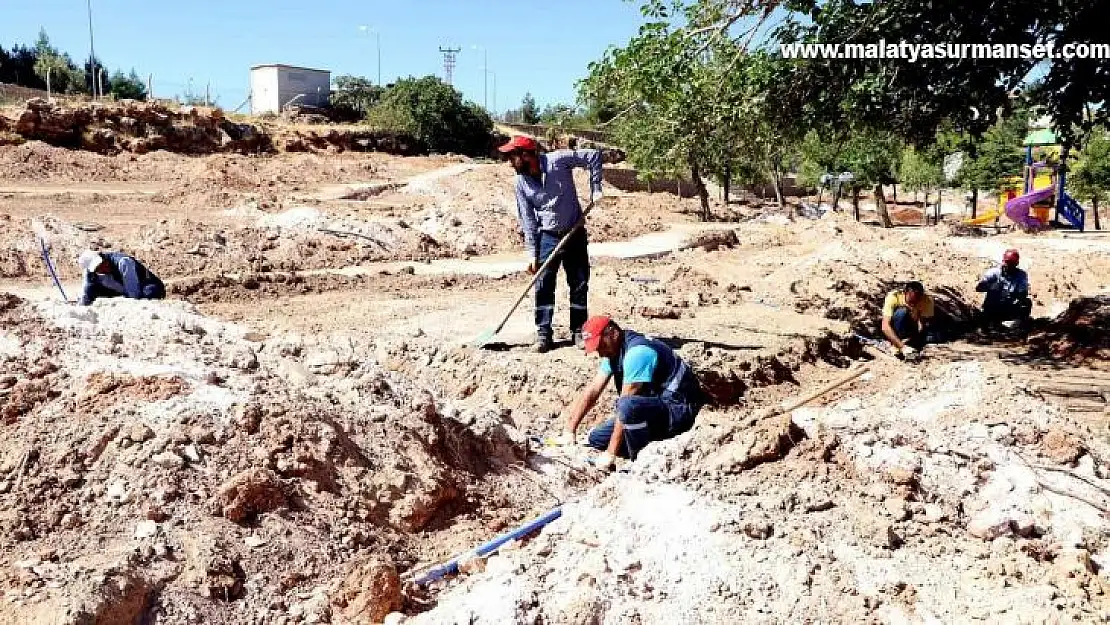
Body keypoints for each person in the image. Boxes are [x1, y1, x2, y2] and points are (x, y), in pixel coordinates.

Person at [553, 315, 704, 469]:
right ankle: (651, 441)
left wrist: (610, 454)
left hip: (679, 409)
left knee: (627, 406)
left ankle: (639, 460)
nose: (599, 352)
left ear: (613, 333)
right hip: (656, 406)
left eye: (600, 345)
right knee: (596, 439)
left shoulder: (637, 353)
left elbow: (627, 403)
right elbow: (593, 390)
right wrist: (569, 431)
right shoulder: (613, 351)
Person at [498, 135, 605, 353]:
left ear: (526, 155)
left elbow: (593, 156)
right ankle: (544, 333)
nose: (510, 162)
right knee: (544, 284)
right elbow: (527, 219)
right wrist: (531, 253)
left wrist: (596, 187)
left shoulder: (558, 160)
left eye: (512, 156)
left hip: (574, 233)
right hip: (547, 237)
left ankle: (578, 331)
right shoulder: (520, 183)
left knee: (579, 283)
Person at [77, 250, 165, 306]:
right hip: (121, 290)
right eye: (98, 268)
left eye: (102, 264)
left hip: (144, 285)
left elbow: (134, 293)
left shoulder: (123, 262)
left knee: (150, 291)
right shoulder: (91, 273)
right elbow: (86, 292)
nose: (103, 268)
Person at [976, 248, 1032, 328]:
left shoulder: (1021, 275)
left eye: (1011, 263)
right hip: (993, 307)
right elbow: (979, 288)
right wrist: (992, 287)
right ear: (1003, 261)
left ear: (1016, 264)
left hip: (1009, 307)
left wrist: (1015, 296)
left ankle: (1019, 324)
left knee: (1027, 302)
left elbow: (1023, 293)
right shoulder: (994, 272)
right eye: (1006, 262)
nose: (1008, 265)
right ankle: (989, 323)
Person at [880, 281, 934, 360]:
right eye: (911, 301)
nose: (914, 304)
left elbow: (923, 325)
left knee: (933, 336)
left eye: (917, 301)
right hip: (896, 325)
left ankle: (908, 343)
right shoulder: (893, 297)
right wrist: (902, 346)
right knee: (902, 312)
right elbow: (885, 326)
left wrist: (912, 339)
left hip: (912, 327)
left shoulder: (927, 301)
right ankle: (896, 343)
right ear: (905, 293)